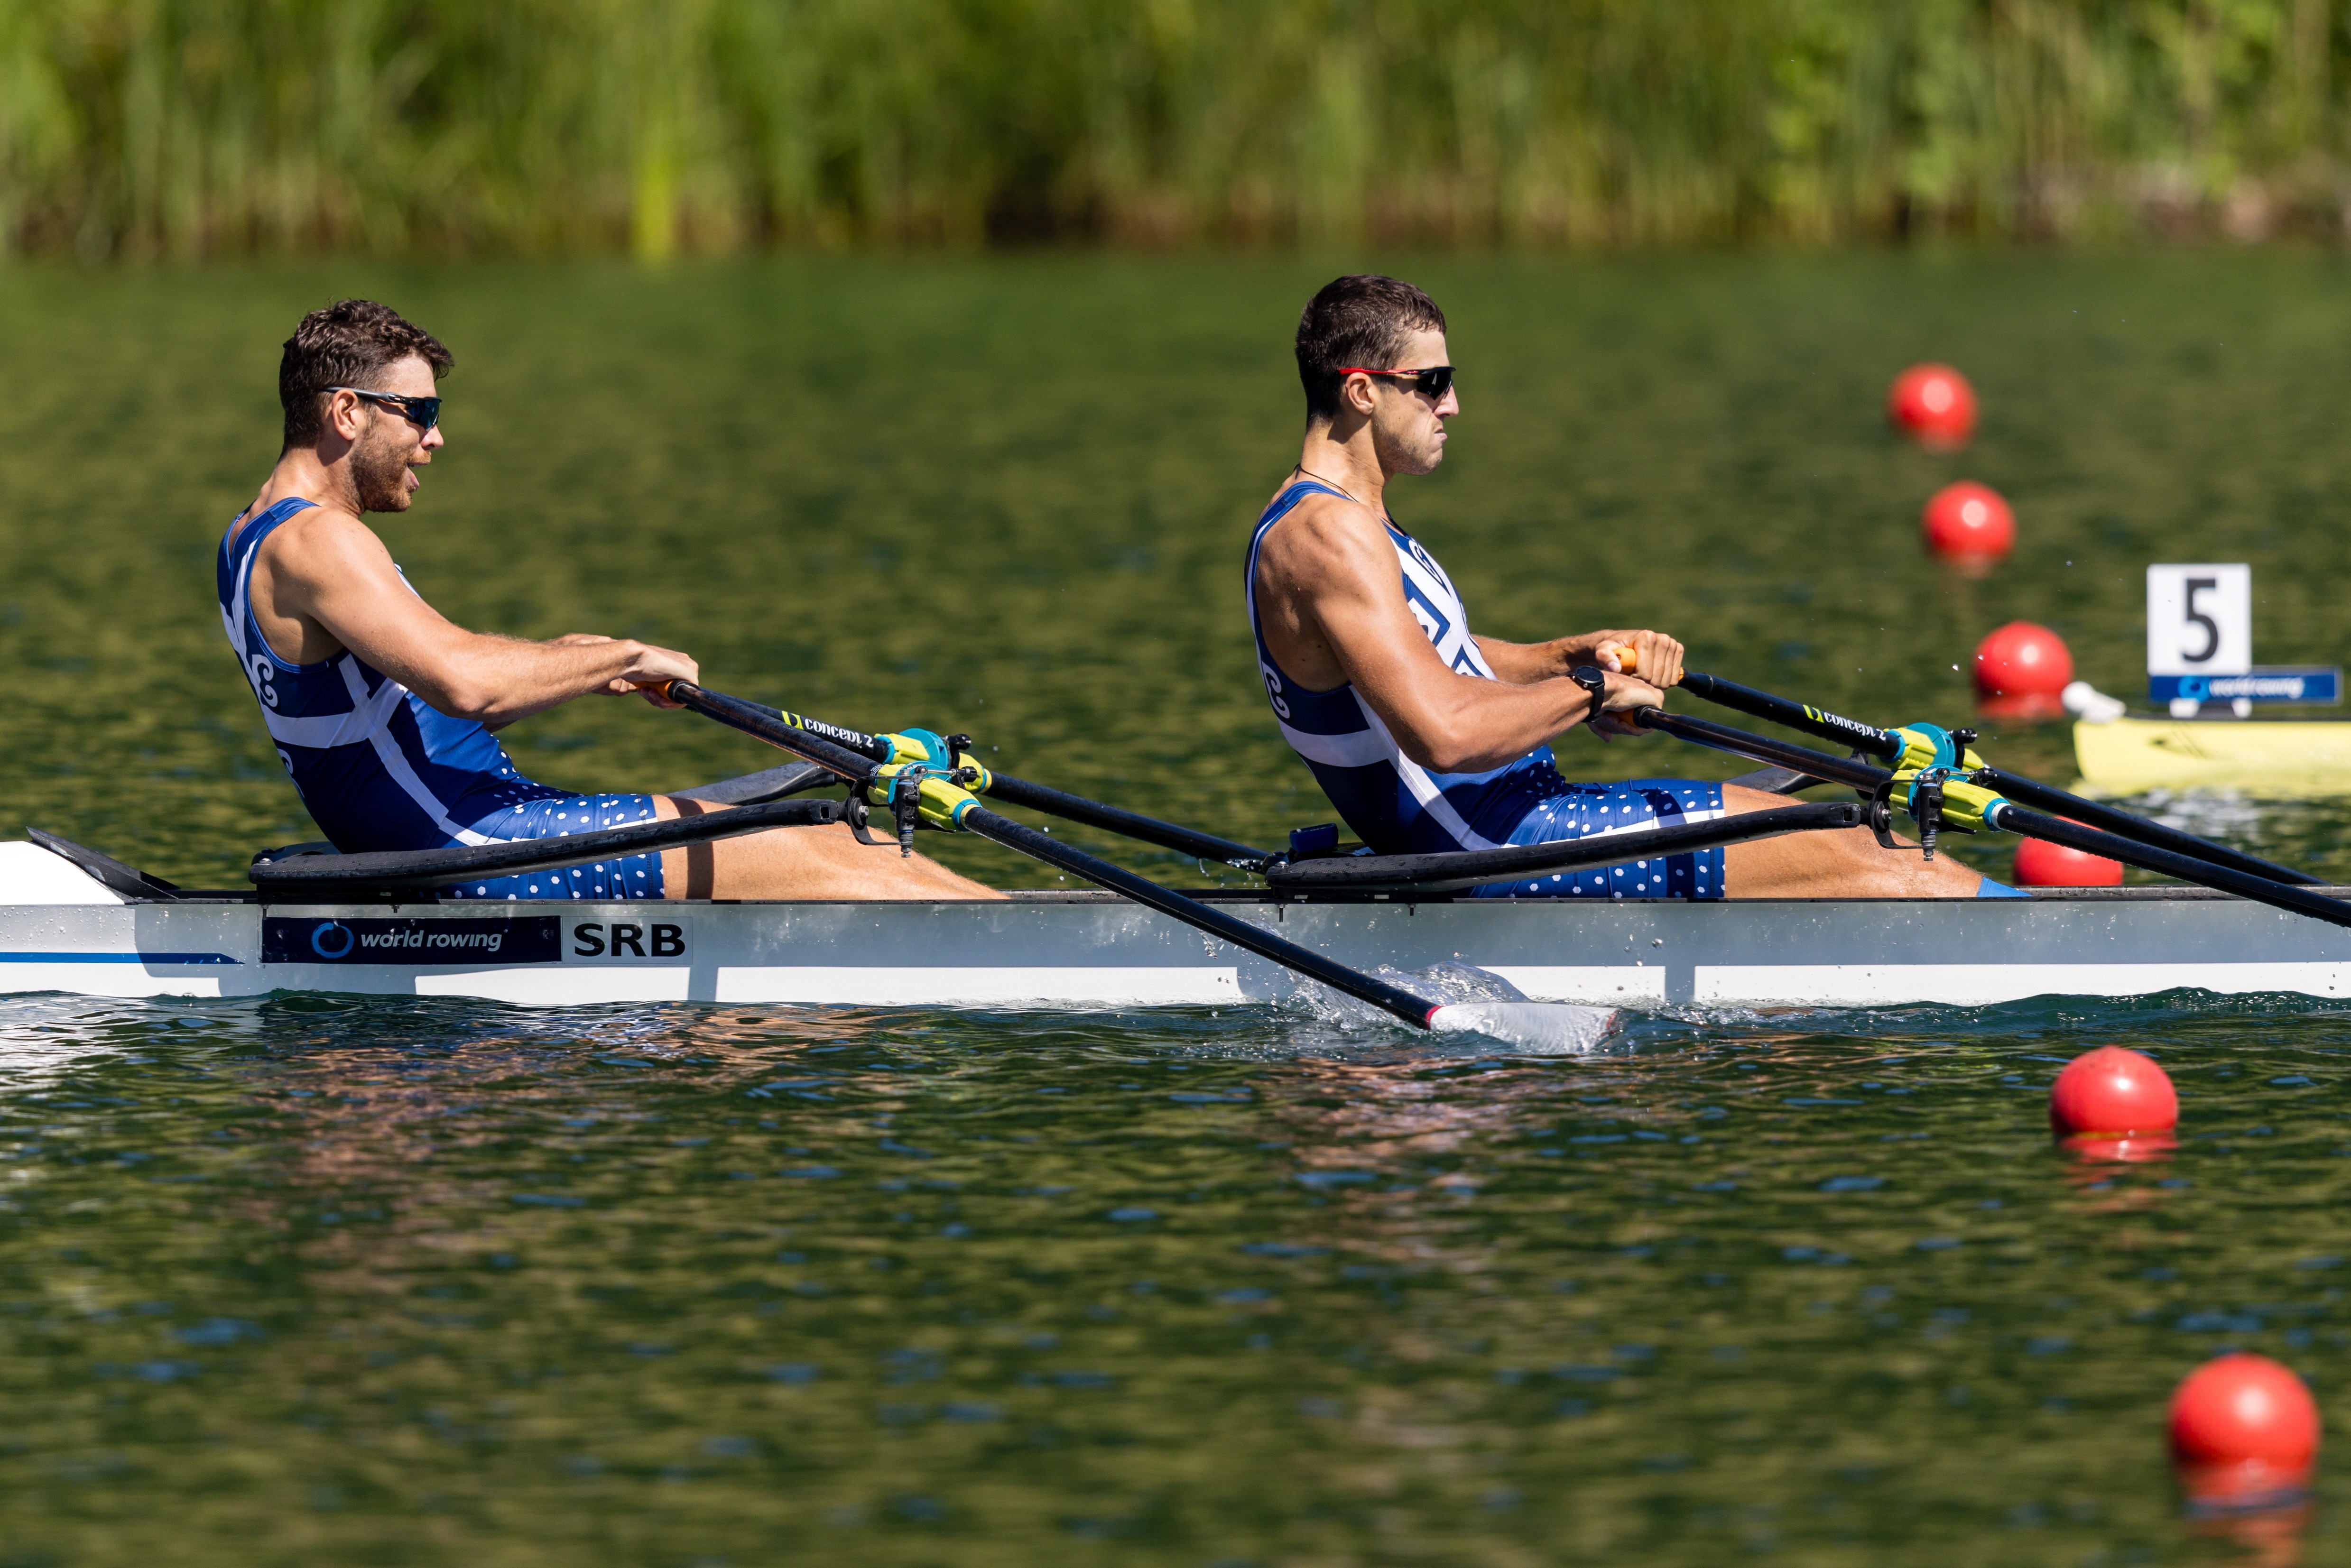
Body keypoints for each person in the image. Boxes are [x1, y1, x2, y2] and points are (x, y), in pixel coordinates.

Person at [1246, 274, 2017, 900]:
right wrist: (1590, 692)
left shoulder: (1336, 519)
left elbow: (1429, 657)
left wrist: (1568, 657)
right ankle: (2049, 943)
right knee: (1869, 851)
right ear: (1362, 392)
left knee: (1832, 840)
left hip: (1515, 817)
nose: (1453, 405)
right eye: (1433, 382)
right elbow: (1443, 731)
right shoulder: (1329, 537)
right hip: (1495, 841)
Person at [220, 299, 994, 901]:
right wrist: (622, 655)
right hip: (471, 841)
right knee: (836, 855)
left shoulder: (249, 536)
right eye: (419, 412)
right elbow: (466, 684)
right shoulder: (321, 539)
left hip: (472, 825)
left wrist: (575, 661)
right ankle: (1049, 951)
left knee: (829, 847)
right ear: (346, 412)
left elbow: (393, 715)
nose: (436, 438)